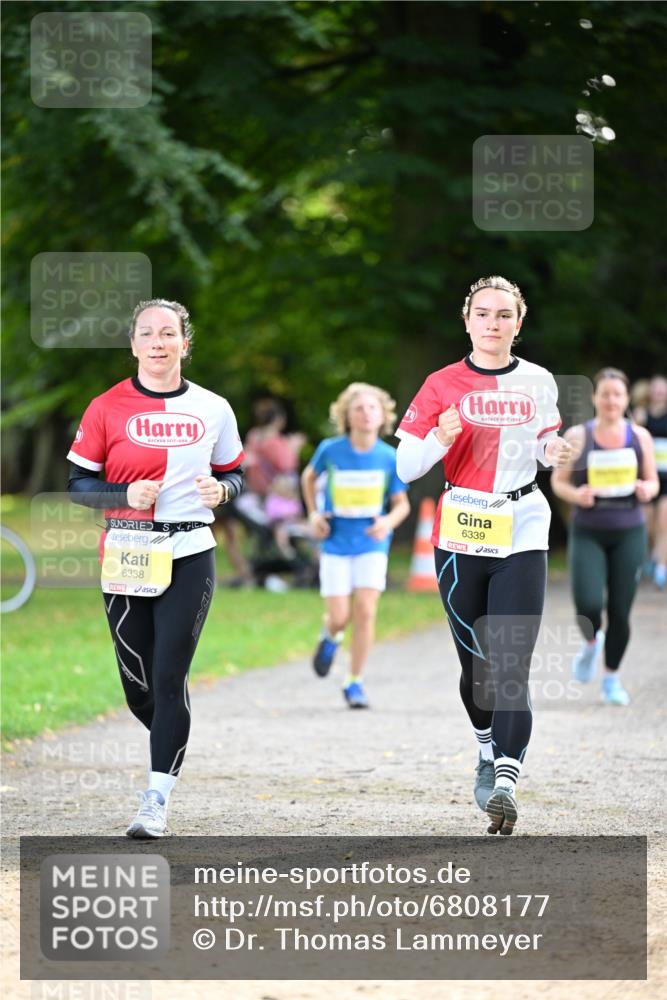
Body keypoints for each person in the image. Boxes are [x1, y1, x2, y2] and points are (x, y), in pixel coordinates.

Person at [396, 275, 572, 836]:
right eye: (483, 314)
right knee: (477, 666)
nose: (492, 324)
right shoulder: (440, 383)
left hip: (522, 525)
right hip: (462, 530)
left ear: (518, 325)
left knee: (511, 661)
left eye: (504, 316)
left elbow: (545, 442)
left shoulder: (539, 381)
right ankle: (484, 745)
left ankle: (504, 781)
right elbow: (406, 469)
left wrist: (554, 449)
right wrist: (440, 439)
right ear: (466, 320)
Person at [67, 298, 244, 838]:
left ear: (184, 344)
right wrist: (124, 492)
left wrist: (223, 490)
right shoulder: (105, 407)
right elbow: (77, 487)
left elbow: (236, 475)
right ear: (134, 344)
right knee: (138, 687)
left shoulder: (215, 408)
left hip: (190, 550)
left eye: (169, 333)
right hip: (127, 551)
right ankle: (171, 733)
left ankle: (155, 799)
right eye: (148, 333)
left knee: (170, 678)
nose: (158, 342)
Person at [551, 368, 659, 705]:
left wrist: (646, 489)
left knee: (620, 609)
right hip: (589, 531)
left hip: (629, 531)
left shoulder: (638, 437)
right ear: (595, 397)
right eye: (605, 393)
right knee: (588, 605)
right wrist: (576, 495)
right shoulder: (578, 436)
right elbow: (559, 481)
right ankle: (589, 644)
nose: (611, 400)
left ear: (627, 399)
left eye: (617, 394)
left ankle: (611, 678)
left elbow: (654, 481)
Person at [301, 383, 410, 709]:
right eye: (358, 408)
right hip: (335, 541)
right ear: (346, 415)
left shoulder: (389, 457)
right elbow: (308, 477)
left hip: (371, 543)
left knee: (364, 611)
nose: (365, 413)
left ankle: (354, 682)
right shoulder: (330, 450)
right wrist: (313, 513)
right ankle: (330, 636)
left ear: (383, 416)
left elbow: (401, 504)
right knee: (339, 615)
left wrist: (387, 523)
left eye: (372, 408)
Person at [633, 375, 667, 589]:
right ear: (650, 392)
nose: (659, 393)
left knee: (665, 522)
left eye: (663, 390)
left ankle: (662, 568)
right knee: (648, 524)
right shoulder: (642, 415)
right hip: (647, 475)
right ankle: (652, 555)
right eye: (656, 389)